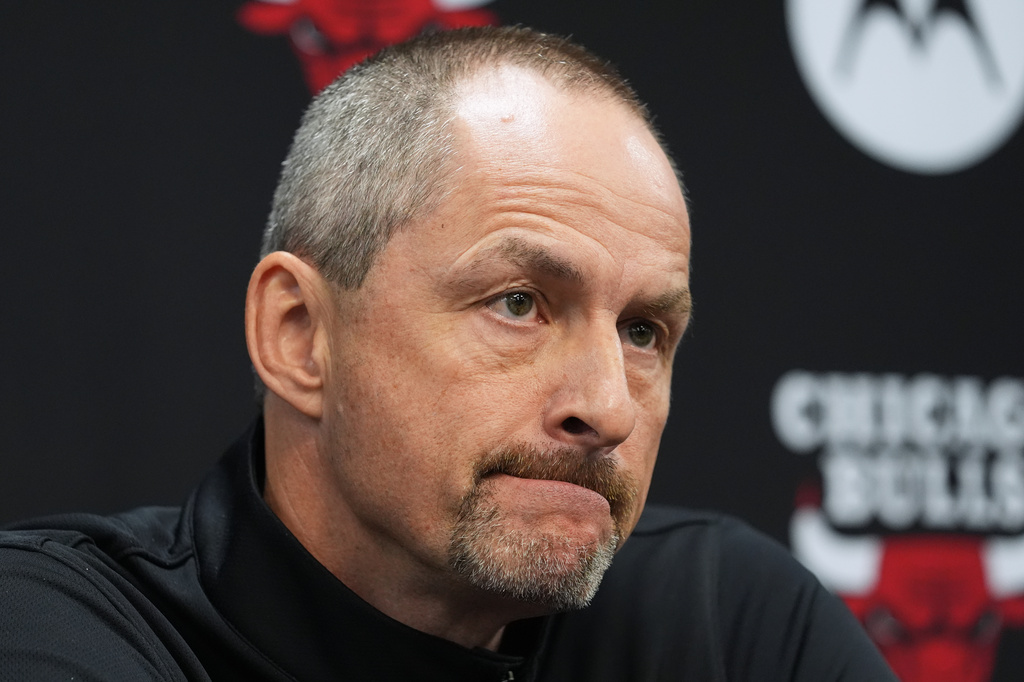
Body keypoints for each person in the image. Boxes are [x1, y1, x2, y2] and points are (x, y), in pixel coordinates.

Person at [0, 26, 896, 680]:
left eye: (642, 332)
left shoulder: (728, 626)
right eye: (519, 304)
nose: (609, 406)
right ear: (299, 336)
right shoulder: (58, 632)